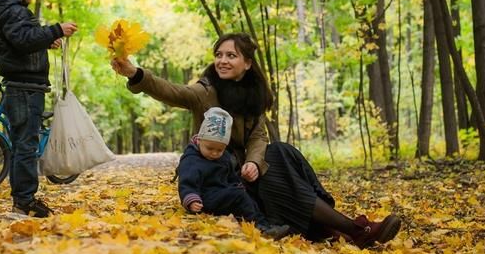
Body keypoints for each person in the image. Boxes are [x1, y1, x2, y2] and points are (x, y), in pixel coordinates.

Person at [111, 32, 402, 248]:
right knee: (278, 159)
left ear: (247, 63)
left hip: (248, 171)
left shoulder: (253, 96)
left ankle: (338, 228)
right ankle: (354, 228)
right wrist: (135, 73)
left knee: (283, 152)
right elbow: (172, 91)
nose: (223, 60)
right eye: (219, 55)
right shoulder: (206, 92)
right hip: (222, 178)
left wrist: (252, 162)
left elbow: (259, 136)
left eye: (231, 55)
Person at [0, 0, 77, 217]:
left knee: (23, 143)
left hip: (27, 86)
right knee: (26, 144)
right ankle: (24, 202)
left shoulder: (12, 10)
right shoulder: (12, 11)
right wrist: (55, 30)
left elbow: (22, 42)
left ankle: (23, 199)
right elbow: (23, 39)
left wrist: (45, 40)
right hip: (24, 87)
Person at [178, 106, 291, 240]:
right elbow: (186, 182)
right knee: (238, 196)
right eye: (210, 148)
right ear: (200, 140)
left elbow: (230, 175)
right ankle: (260, 227)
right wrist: (191, 199)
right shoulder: (192, 159)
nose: (214, 153)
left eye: (219, 150)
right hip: (205, 197)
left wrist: (238, 184)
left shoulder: (224, 157)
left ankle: (265, 224)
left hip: (222, 192)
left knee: (247, 196)